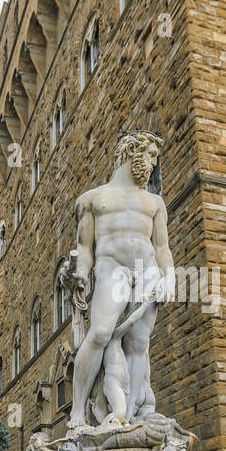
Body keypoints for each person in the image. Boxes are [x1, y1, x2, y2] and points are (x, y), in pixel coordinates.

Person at [68, 130, 174, 428]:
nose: (154, 163)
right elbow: (84, 248)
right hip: (111, 269)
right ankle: (77, 412)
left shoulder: (154, 203)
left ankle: (128, 413)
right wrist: (80, 274)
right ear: (131, 152)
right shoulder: (92, 199)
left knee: (138, 343)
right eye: (151, 155)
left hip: (147, 270)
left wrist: (171, 279)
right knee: (101, 333)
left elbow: (162, 248)